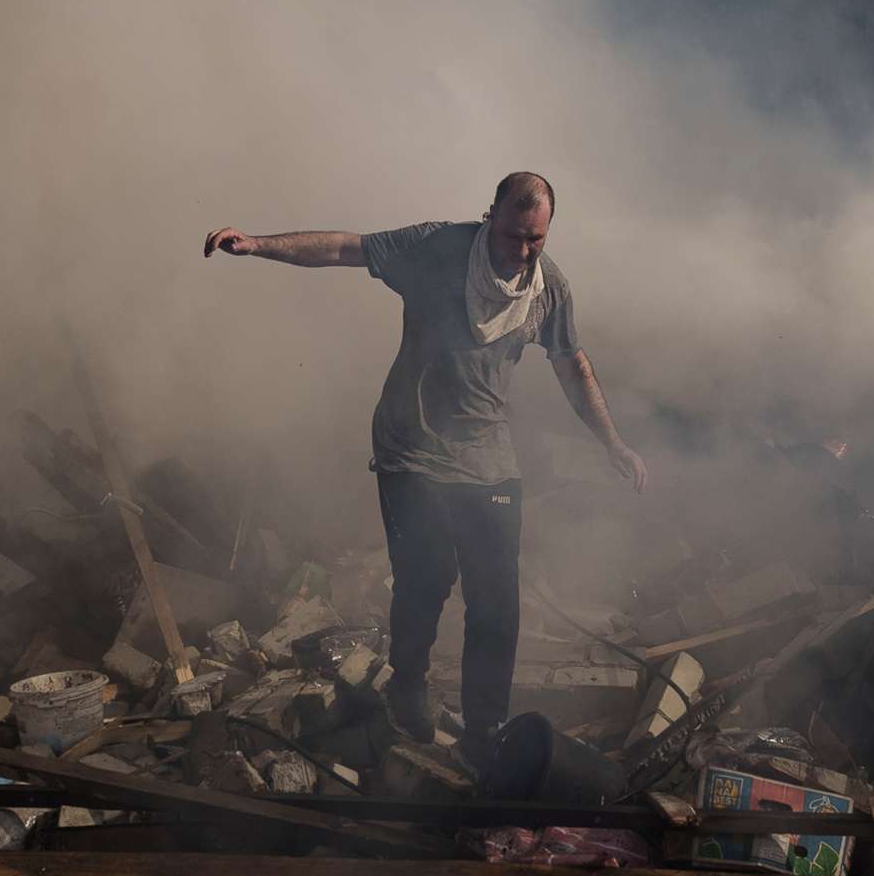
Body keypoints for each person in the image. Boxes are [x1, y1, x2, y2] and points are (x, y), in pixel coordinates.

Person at [203, 171, 647, 757]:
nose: (522, 252)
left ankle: (484, 731)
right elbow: (346, 247)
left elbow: (573, 366)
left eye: (535, 240)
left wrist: (612, 442)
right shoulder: (437, 248)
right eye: (513, 235)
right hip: (411, 449)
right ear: (490, 215)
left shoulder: (548, 289)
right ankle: (407, 686)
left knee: (497, 603)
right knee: (427, 578)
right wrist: (258, 245)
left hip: (487, 457)